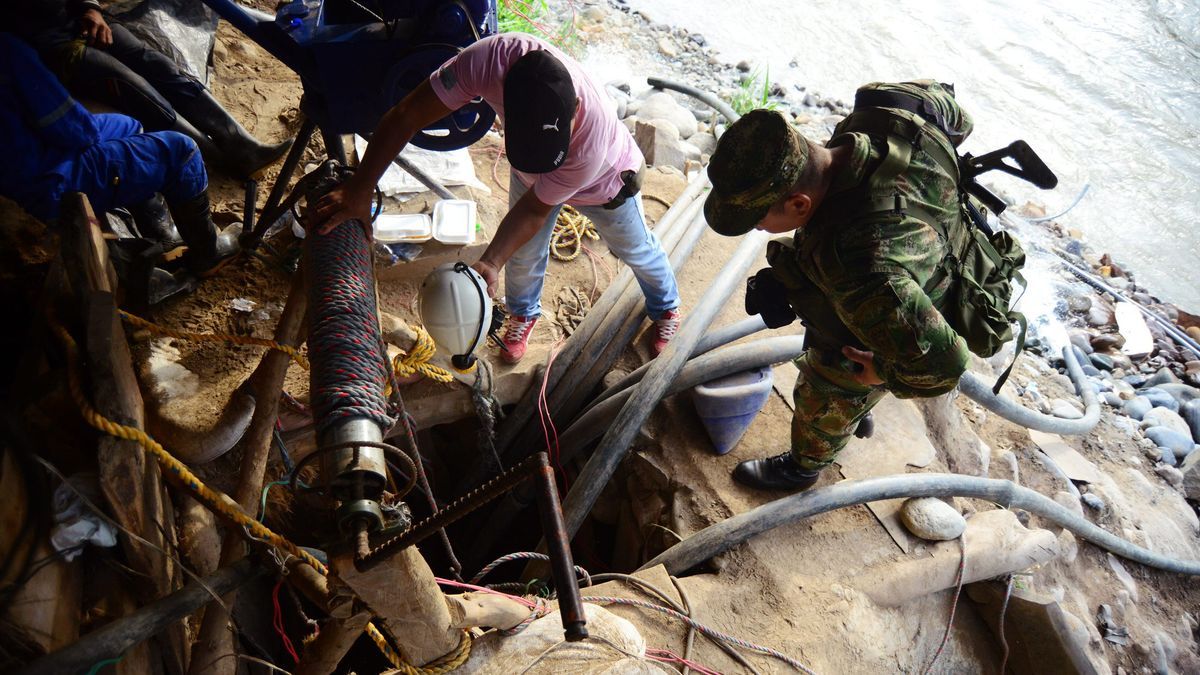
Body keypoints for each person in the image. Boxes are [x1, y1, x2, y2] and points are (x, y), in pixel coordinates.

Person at [313, 32, 683, 363]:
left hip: (604, 185)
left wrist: (490, 259)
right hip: (533, 172)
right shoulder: (487, 61)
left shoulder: (591, 140)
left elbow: (537, 209)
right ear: (505, 97)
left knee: (635, 249)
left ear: (575, 110)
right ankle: (523, 313)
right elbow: (407, 113)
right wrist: (360, 189)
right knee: (522, 253)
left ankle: (666, 307)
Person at [705, 80, 983, 492]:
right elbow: (959, 119)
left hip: (924, 293)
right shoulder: (886, 106)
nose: (759, 228)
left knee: (832, 378)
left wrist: (884, 372)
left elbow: (945, 366)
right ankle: (857, 406)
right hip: (938, 239)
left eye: (758, 219)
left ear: (799, 204)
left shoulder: (862, 267)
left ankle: (803, 466)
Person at [0, 32, 238, 300]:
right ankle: (208, 253)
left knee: (129, 126)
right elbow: (72, 129)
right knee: (182, 151)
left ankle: (160, 232)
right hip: (51, 179)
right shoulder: (9, 52)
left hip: (18, 167)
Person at [13, 0, 291, 179]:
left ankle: (242, 145)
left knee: (157, 64)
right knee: (131, 85)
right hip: (50, 47)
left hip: (81, 19)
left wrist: (91, 8)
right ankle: (212, 157)